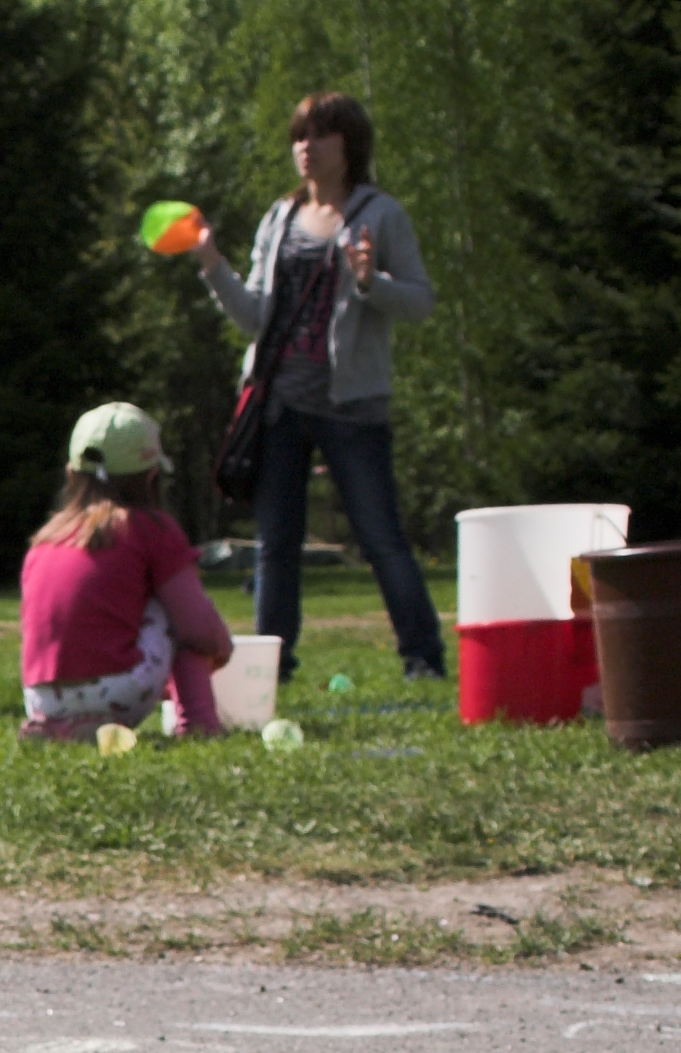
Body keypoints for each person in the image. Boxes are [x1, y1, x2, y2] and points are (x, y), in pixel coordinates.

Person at [196, 91, 444, 683]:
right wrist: (212, 267)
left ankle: (423, 659)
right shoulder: (279, 220)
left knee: (381, 539)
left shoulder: (381, 216)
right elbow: (255, 316)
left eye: (319, 135)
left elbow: (420, 302)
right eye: (299, 136)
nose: (304, 148)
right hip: (279, 405)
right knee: (276, 546)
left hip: (352, 407)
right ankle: (272, 669)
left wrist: (369, 282)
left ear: (349, 145)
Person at [20, 405, 231, 740]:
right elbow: (197, 628)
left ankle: (62, 726)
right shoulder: (151, 529)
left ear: (72, 473)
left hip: (41, 697)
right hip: (118, 691)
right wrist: (221, 645)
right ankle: (199, 722)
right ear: (151, 475)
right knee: (176, 609)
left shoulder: (46, 540)